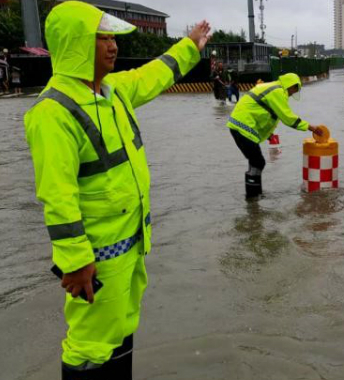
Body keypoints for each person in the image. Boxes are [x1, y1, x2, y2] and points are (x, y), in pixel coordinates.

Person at [23, 2, 210, 379]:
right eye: (101, 38)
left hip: (131, 242)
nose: (113, 46)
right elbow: (57, 195)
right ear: (75, 44)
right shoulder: (53, 111)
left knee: (123, 327)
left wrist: (190, 46)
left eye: (112, 38)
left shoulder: (114, 92)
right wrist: (75, 262)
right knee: (89, 344)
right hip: (96, 258)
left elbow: (155, 73)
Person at [227, 73, 323, 198]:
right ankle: (252, 198)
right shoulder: (277, 91)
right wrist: (311, 128)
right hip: (243, 126)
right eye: (295, 90)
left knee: (255, 161)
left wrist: (268, 134)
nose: (293, 94)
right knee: (258, 162)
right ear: (290, 85)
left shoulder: (274, 88)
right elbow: (287, 117)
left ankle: (255, 195)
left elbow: (266, 114)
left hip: (239, 125)